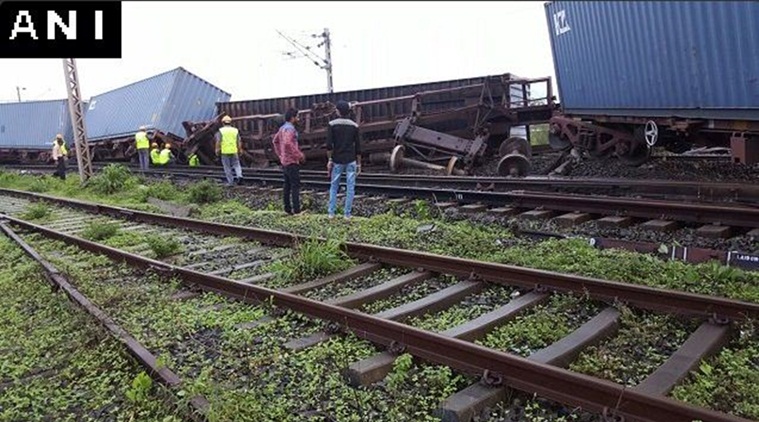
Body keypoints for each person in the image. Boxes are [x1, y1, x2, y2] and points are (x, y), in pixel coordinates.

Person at [326, 100, 361, 220]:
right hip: (351, 159)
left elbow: (329, 145)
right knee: (350, 187)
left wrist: (329, 159)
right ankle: (347, 214)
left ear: (338, 111)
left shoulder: (332, 124)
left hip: (337, 159)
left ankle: (331, 213)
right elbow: (358, 147)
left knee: (334, 186)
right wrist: (359, 164)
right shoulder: (354, 126)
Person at [272, 108, 305, 215]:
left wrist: (280, 154)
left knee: (287, 185)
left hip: (285, 161)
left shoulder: (282, 128)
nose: (298, 119)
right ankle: (297, 210)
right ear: (292, 118)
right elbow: (287, 143)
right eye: (297, 117)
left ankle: (287, 209)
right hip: (292, 161)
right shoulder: (290, 129)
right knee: (295, 186)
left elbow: (275, 141)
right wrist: (298, 155)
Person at [214, 115, 243, 186]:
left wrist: (217, 150)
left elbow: (218, 141)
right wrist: (240, 149)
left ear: (223, 123)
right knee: (237, 165)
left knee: (227, 167)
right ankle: (239, 175)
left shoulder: (221, 131)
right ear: (230, 122)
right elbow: (239, 141)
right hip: (234, 150)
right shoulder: (235, 130)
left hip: (225, 151)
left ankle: (230, 182)